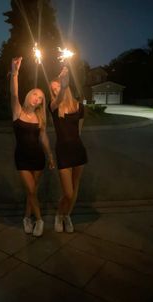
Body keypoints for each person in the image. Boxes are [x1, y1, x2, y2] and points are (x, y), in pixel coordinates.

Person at [10, 57, 55, 237]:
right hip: (21, 158)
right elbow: (13, 94)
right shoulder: (18, 111)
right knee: (31, 190)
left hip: (38, 158)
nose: (38, 98)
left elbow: (43, 138)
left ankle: (26, 217)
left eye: (41, 98)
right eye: (36, 94)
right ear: (29, 95)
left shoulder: (40, 118)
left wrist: (50, 156)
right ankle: (40, 220)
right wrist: (15, 72)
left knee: (32, 192)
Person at [48, 66, 87, 233]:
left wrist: (64, 86)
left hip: (78, 150)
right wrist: (63, 86)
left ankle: (67, 215)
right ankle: (59, 214)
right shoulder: (54, 107)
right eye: (53, 89)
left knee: (76, 187)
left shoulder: (80, 107)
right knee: (68, 193)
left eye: (58, 86)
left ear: (67, 86)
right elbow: (59, 98)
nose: (56, 90)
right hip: (63, 151)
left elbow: (79, 131)